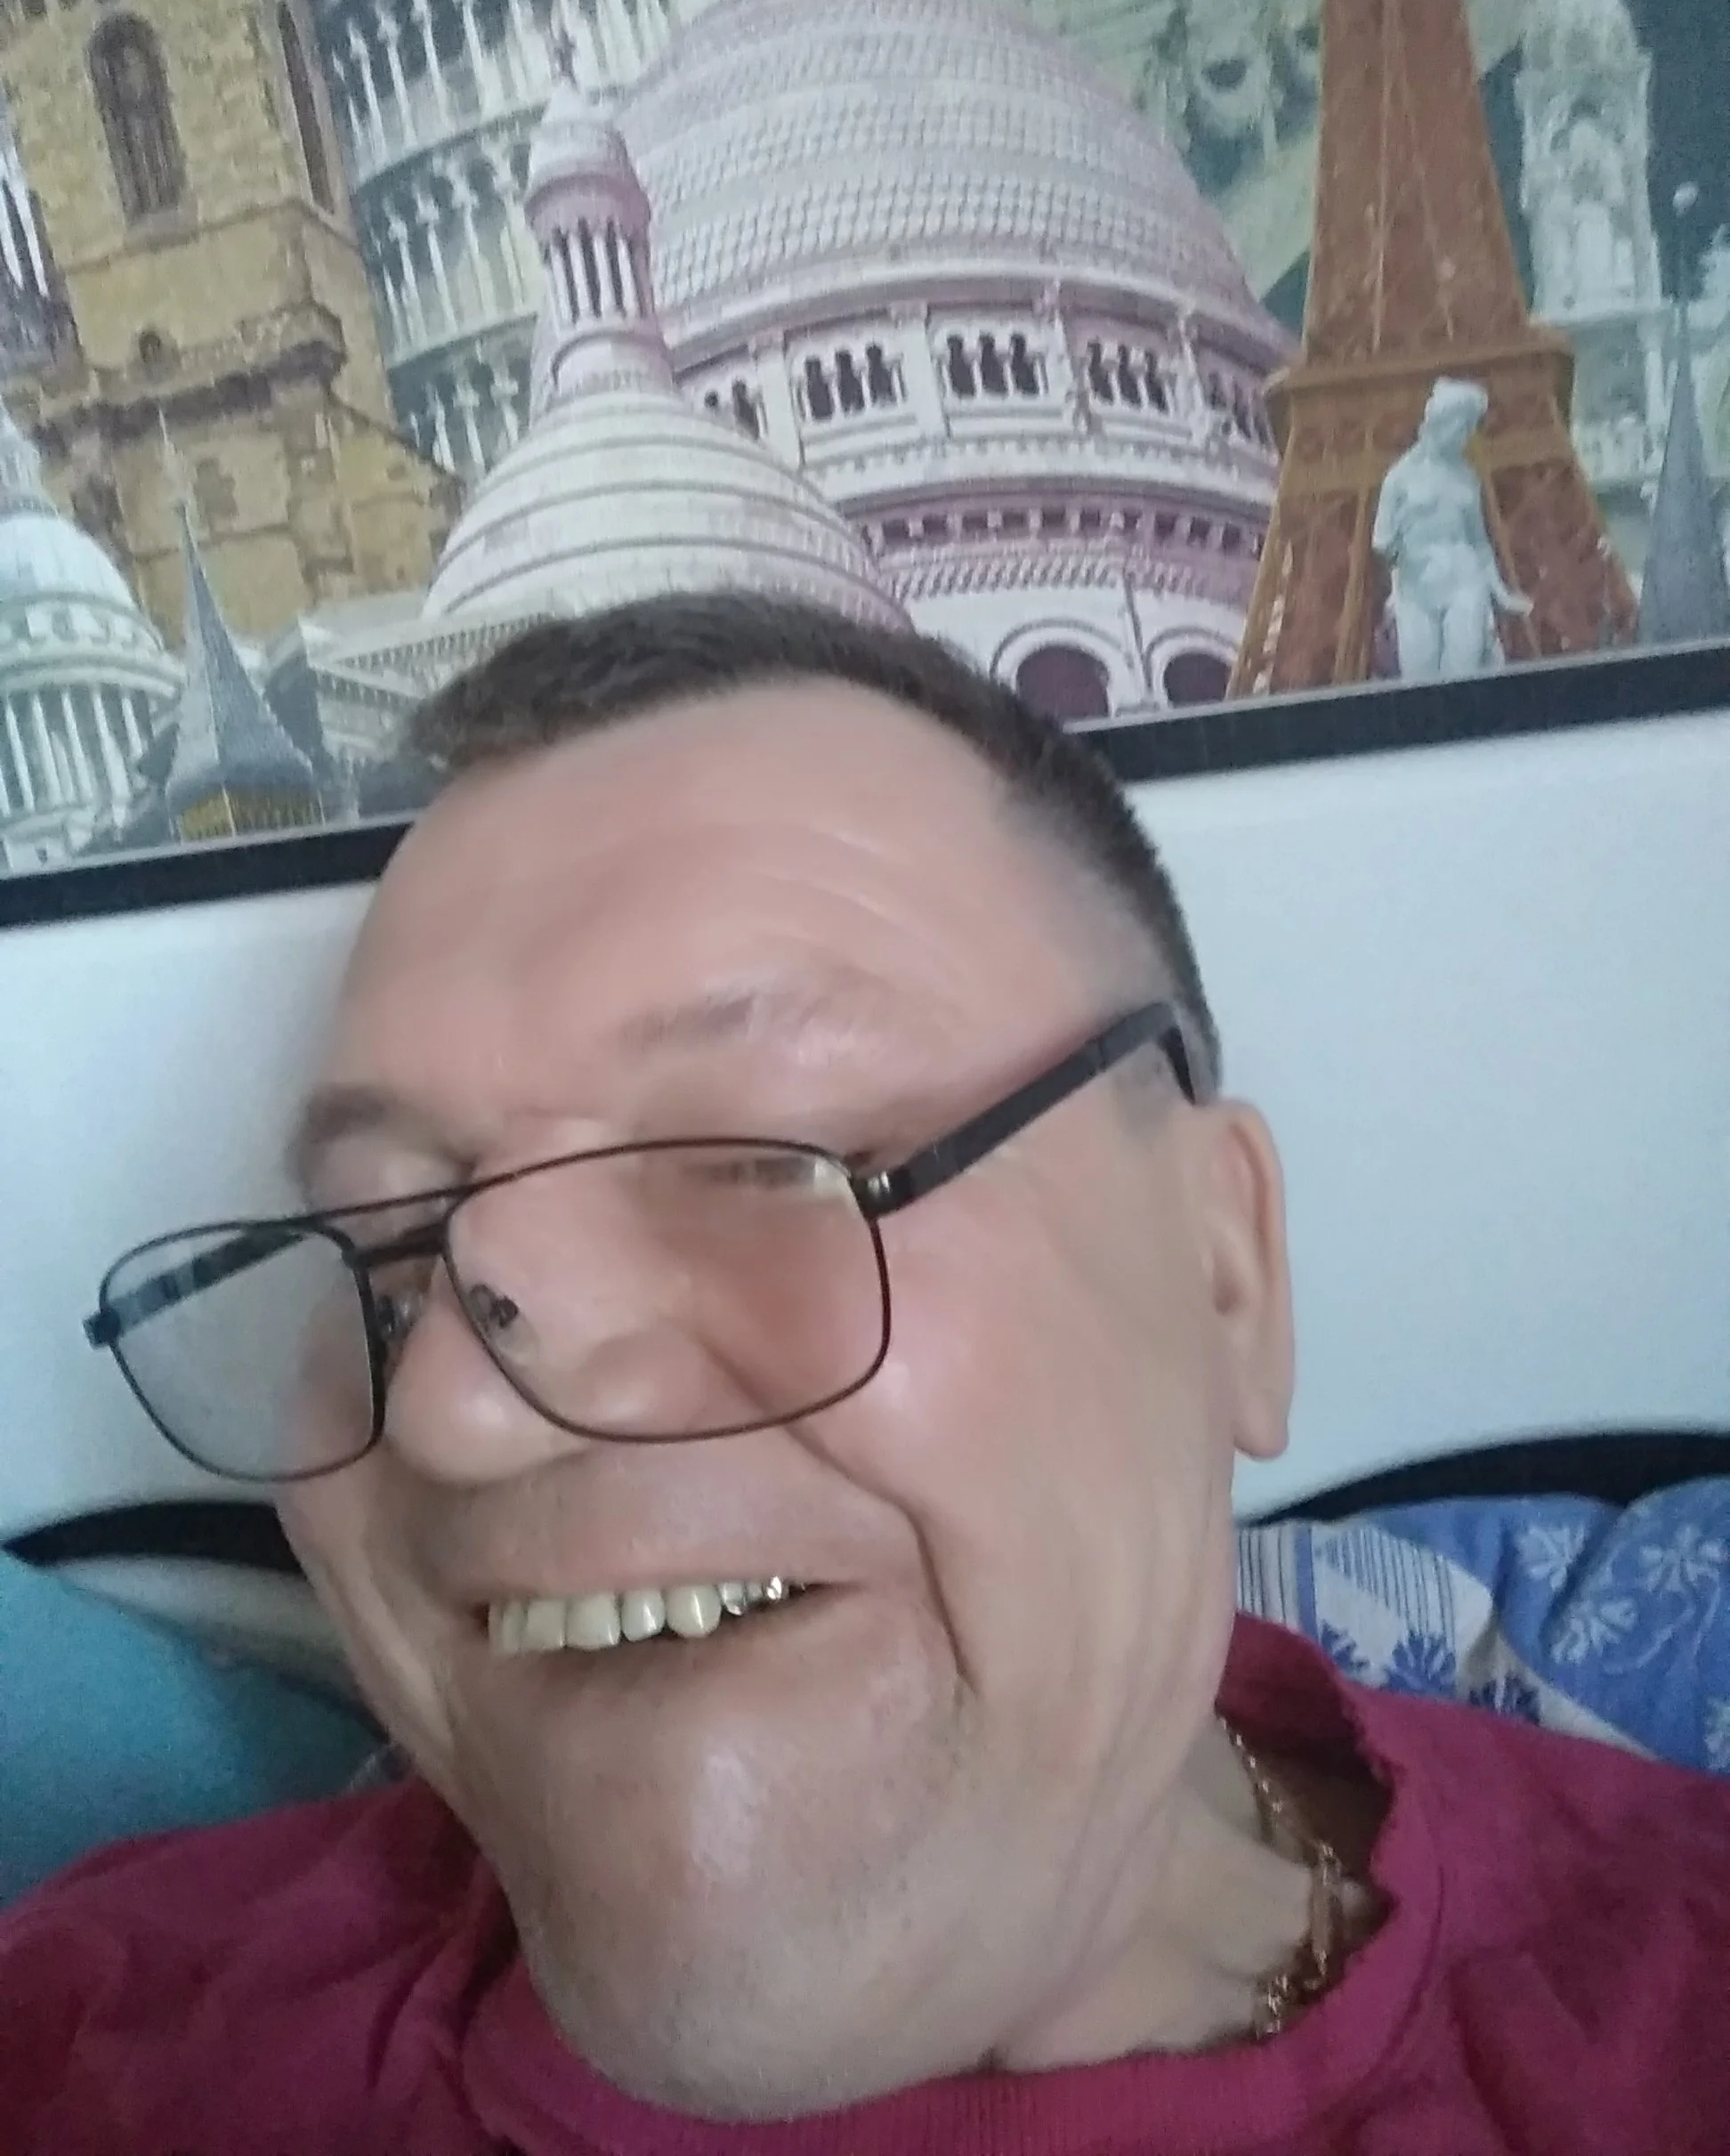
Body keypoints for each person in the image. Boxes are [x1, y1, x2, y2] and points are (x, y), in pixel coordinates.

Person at [4, 596, 1727, 2155]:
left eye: (770, 1159)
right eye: (381, 1248)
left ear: (1224, 1276)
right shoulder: (98, 2043)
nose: (458, 1411)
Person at [1372, 377, 1535, 680]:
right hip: (1416, 592)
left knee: (1463, 678)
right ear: (1440, 423)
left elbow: (1478, 542)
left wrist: (1501, 593)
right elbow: (1381, 541)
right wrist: (1394, 543)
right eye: (1462, 428)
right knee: (1420, 681)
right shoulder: (1398, 478)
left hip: (1465, 584)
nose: (1466, 437)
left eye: (1470, 428)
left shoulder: (1467, 477)